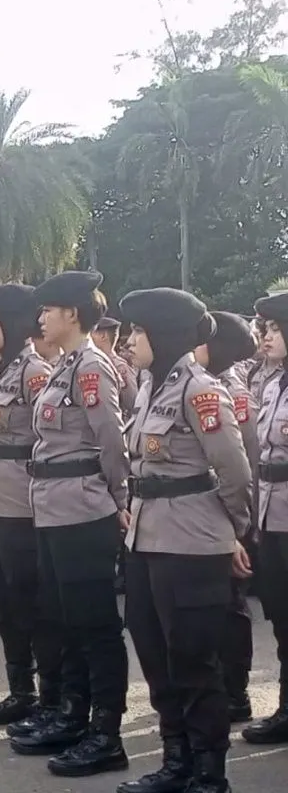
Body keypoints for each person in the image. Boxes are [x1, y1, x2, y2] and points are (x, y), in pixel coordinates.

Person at [113, 289, 252, 793]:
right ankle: (176, 761)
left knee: (194, 661)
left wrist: (232, 532)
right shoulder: (151, 387)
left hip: (191, 543)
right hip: (147, 538)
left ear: (164, 334)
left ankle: (209, 773)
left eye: (138, 331)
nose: (130, 340)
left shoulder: (200, 391)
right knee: (155, 655)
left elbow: (234, 472)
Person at [12, 270, 130, 778]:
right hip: (53, 507)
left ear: (72, 314)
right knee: (65, 619)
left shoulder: (91, 367)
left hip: (83, 509)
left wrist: (120, 499)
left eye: (48, 309)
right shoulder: (64, 366)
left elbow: (112, 441)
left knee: (95, 625)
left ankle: (106, 733)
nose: (40, 318)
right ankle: (73, 716)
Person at [0, 283, 59, 728]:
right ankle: (19, 689)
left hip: (20, 503)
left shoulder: (34, 372)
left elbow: (49, 437)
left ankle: (47, 694)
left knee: (27, 599)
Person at [196, 311, 261, 725]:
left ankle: (235, 692)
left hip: (230, 514)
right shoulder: (200, 384)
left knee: (229, 608)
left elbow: (245, 464)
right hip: (205, 514)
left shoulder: (232, 394)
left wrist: (238, 528)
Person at [243, 290, 288, 747]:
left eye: (276, 328)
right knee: (279, 612)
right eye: (266, 329)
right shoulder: (273, 385)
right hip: (272, 515)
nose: (267, 336)